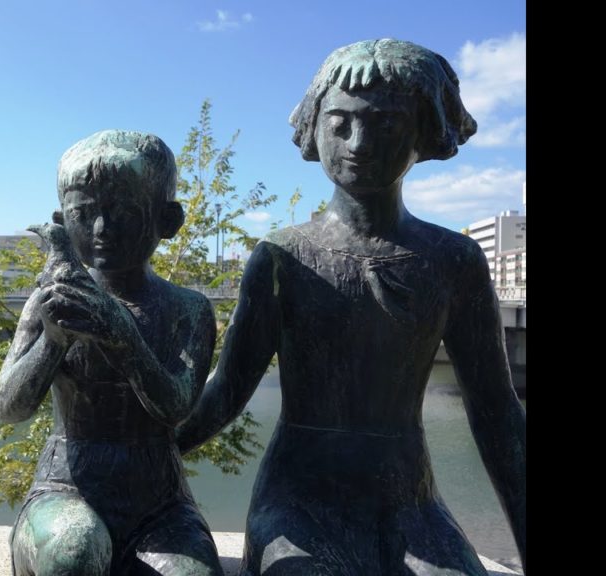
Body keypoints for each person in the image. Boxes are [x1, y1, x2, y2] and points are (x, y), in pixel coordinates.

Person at [175, 39, 526, 575]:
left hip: (410, 503)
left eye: (386, 125)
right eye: (340, 122)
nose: (359, 143)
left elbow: (497, 414)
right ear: (314, 127)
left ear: (425, 132)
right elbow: (226, 393)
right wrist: (135, 449)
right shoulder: (282, 257)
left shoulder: (453, 260)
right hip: (298, 502)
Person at [0, 129, 224, 575]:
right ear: (63, 220)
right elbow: (9, 406)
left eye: (122, 211)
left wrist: (121, 332)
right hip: (66, 490)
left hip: (159, 500)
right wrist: (54, 340)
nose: (101, 229)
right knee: (75, 552)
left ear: (167, 220)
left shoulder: (188, 309)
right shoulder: (49, 301)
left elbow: (175, 408)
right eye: (84, 213)